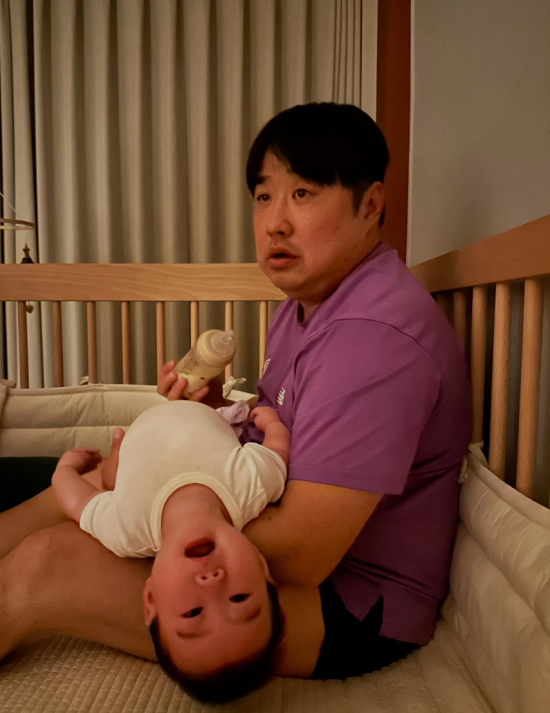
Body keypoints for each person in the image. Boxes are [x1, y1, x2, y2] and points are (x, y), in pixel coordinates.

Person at [0, 102, 471, 698]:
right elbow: (280, 428)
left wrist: (154, 499)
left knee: (50, 560)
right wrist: (210, 413)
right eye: (263, 196)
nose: (274, 222)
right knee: (81, 485)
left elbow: (302, 551)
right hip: (280, 545)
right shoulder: (304, 308)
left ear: (370, 204)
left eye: (302, 194)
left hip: (348, 604)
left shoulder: (375, 337)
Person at [50, 400, 289, 690]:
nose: (212, 583)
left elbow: (79, 502)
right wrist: (273, 425)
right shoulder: (253, 486)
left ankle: (117, 460)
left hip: (140, 435)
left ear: (151, 599)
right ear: (261, 567)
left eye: (193, 613)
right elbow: (277, 452)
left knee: (111, 479)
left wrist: (64, 469)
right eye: (239, 598)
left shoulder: (125, 530)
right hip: (202, 411)